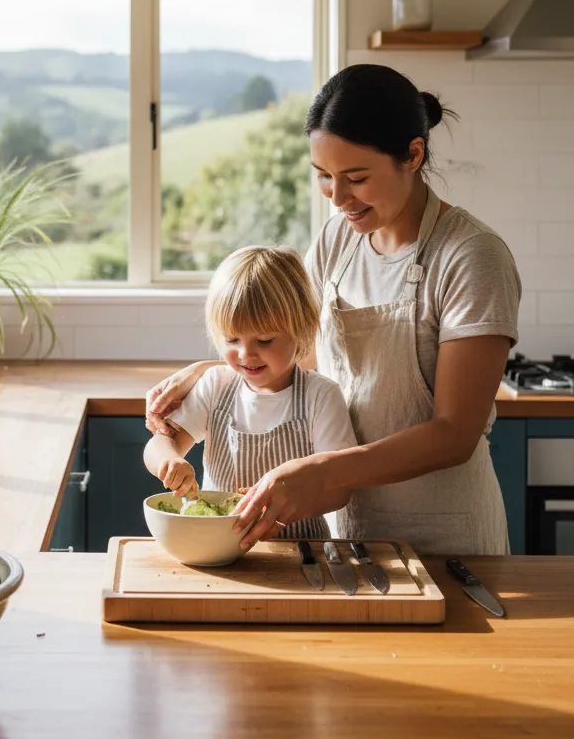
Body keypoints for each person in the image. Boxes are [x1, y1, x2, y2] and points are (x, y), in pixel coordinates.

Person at [146, 64, 520, 556]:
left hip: (446, 537)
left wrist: (323, 470)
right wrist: (217, 371)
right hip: (347, 532)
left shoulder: (471, 256)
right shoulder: (338, 240)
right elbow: (298, 356)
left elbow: (455, 434)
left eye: (356, 178)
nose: (339, 198)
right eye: (324, 177)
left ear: (413, 154)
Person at [144, 246, 356, 539]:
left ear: (301, 331)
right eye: (232, 339)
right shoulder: (215, 385)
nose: (246, 354)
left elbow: (339, 490)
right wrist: (169, 461)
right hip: (217, 545)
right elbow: (159, 444)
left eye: (265, 340)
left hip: (299, 549)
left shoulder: (321, 396)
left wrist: (284, 504)